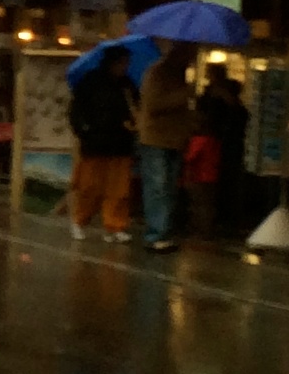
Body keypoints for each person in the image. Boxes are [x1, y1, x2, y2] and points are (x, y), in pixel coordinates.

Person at [65, 46, 138, 243]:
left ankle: (115, 225)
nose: (125, 67)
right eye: (122, 62)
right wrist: (84, 131)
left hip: (121, 143)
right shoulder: (91, 81)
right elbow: (76, 110)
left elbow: (136, 106)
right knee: (89, 186)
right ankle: (80, 221)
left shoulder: (127, 84)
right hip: (95, 143)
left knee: (119, 189)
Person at [134, 46, 197, 253]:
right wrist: (183, 95)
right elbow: (153, 104)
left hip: (175, 139)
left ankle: (165, 230)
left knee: (169, 187)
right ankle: (156, 233)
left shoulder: (180, 75)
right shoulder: (156, 73)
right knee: (158, 186)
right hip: (156, 138)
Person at [191, 73, 249, 240]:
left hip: (215, 161)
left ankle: (208, 227)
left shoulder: (222, 113)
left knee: (206, 199)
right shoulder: (237, 111)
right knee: (216, 195)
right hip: (224, 155)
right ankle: (220, 224)